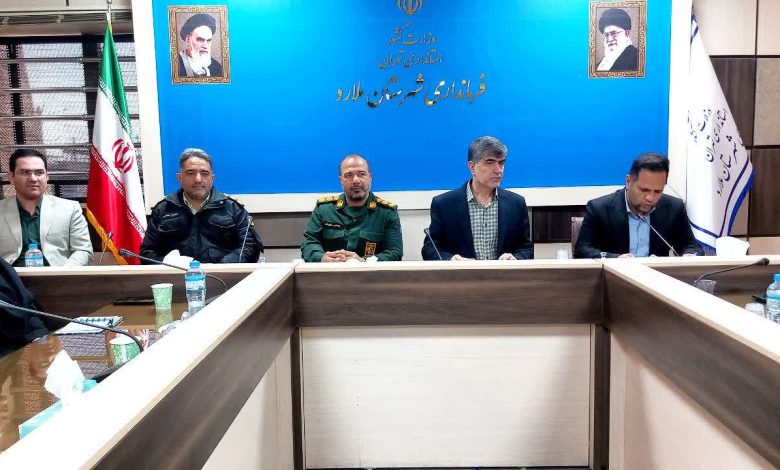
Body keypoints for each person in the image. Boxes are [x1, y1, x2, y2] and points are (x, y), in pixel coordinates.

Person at [140, 148, 262, 264]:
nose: (198, 179)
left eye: (204, 173)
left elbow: (249, 247)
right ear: (179, 177)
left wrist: (223, 265)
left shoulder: (232, 208)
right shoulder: (163, 209)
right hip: (176, 276)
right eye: (190, 173)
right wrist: (168, 263)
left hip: (222, 276)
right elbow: (146, 253)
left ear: (212, 178)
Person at [422, 136, 533, 261]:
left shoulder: (516, 203)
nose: (498, 170)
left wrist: (515, 258)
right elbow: (430, 248)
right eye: (490, 163)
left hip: (503, 273)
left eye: (501, 163)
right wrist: (450, 259)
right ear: (472, 167)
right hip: (462, 273)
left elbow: (526, 248)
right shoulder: (444, 204)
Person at [574, 153, 704, 258]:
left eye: (657, 191)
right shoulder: (599, 208)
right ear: (628, 181)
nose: (650, 198)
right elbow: (582, 249)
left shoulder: (674, 208)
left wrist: (690, 255)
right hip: (614, 278)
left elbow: (691, 246)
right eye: (644, 190)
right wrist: (615, 258)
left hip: (658, 278)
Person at [301, 154, 403, 262]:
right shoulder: (323, 210)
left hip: (369, 272)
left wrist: (363, 261)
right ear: (340, 180)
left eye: (361, 174)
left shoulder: (386, 212)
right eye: (348, 175)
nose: (355, 180)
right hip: (331, 271)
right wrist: (321, 258)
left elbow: (394, 252)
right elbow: (309, 243)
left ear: (370, 178)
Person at [0, 149, 92, 267]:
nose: (33, 178)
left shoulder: (70, 209)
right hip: (8, 276)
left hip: (56, 275)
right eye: (25, 172)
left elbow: (83, 250)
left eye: (39, 172)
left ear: (47, 177)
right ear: (11, 177)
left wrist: (64, 273)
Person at [177, 13, 223, 78]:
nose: (205, 45)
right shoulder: (176, 64)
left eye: (208, 40)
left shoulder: (216, 67)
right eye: (200, 40)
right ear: (188, 40)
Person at [597, 8, 638, 72]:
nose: (609, 39)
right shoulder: (601, 64)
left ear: (626, 33)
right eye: (606, 35)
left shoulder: (637, 58)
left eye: (614, 33)